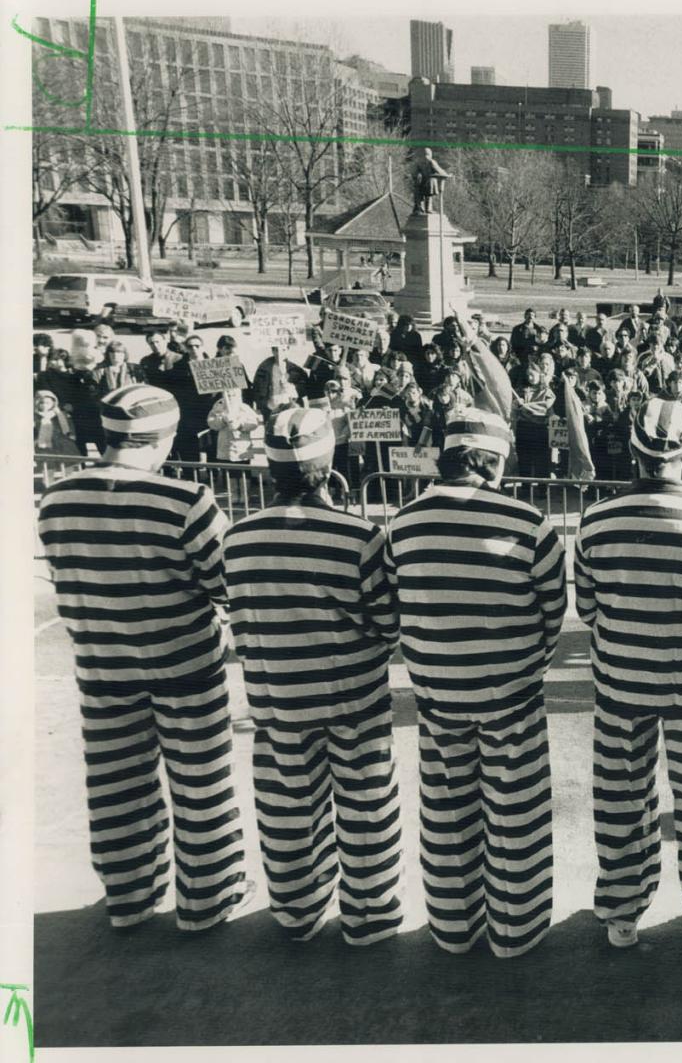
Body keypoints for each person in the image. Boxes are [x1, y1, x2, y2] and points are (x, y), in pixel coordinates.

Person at [36, 384, 252, 929]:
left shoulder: (56, 499)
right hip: (185, 666)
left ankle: (129, 897)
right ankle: (209, 897)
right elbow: (226, 585)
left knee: (115, 787)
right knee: (201, 785)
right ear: (162, 439)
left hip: (102, 670)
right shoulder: (185, 501)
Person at [385, 409, 567, 958]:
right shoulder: (528, 522)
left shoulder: (401, 523)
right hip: (510, 693)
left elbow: (394, 607)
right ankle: (517, 930)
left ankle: (453, 929)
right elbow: (554, 612)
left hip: (437, 694)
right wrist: (527, 663)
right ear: (490, 461)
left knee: (446, 815)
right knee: (517, 814)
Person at [574, 400, 682, 951]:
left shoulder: (595, 521)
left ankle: (622, 914)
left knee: (621, 798)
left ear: (632, 451)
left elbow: (588, 609)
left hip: (620, 686)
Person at [222, 408, 403, 945]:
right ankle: (369, 915)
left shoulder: (237, 538)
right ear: (328, 465)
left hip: (275, 699)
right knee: (367, 808)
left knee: (287, 807)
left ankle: (296, 910)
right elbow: (387, 623)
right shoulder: (360, 537)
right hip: (354, 700)